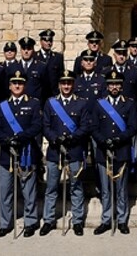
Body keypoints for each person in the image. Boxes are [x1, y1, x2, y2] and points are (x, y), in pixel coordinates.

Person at [0, 71, 43, 238]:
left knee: (29, 191)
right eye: (14, 83)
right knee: (5, 191)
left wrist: (22, 137)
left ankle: (30, 222)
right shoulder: (2, 106)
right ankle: (5, 224)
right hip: (7, 154)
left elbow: (37, 125)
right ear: (9, 86)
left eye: (20, 83)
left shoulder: (34, 104)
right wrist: (6, 140)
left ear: (24, 85)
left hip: (27, 152)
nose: (17, 86)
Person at [41, 70, 92, 236]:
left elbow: (85, 126)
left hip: (74, 150)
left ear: (73, 84)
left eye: (69, 83)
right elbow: (46, 126)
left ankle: (77, 221)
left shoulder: (82, 103)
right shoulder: (51, 103)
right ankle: (48, 220)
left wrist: (72, 137)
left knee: (76, 187)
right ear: (59, 85)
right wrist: (55, 139)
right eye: (63, 83)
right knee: (51, 187)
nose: (66, 86)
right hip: (55, 151)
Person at [91, 71, 137, 235]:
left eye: (117, 84)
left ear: (121, 86)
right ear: (107, 86)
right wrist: (103, 141)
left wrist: (119, 139)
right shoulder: (99, 104)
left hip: (121, 150)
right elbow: (94, 127)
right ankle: (106, 219)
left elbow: (133, 127)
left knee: (121, 188)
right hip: (104, 151)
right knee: (105, 189)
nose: (114, 87)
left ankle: (122, 220)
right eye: (111, 84)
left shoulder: (129, 104)